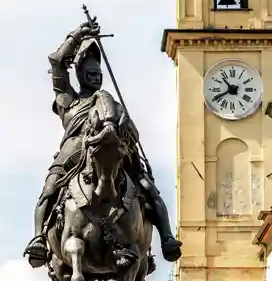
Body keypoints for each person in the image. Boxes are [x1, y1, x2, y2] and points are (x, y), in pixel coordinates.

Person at [24, 22, 182, 268]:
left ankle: (166, 238)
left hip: (113, 150)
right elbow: (57, 60)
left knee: (147, 188)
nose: (96, 77)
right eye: (91, 73)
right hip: (73, 154)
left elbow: (133, 132)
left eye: (99, 73)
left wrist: (125, 130)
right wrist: (77, 36)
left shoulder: (111, 104)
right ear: (80, 75)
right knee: (50, 190)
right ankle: (39, 239)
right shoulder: (69, 100)